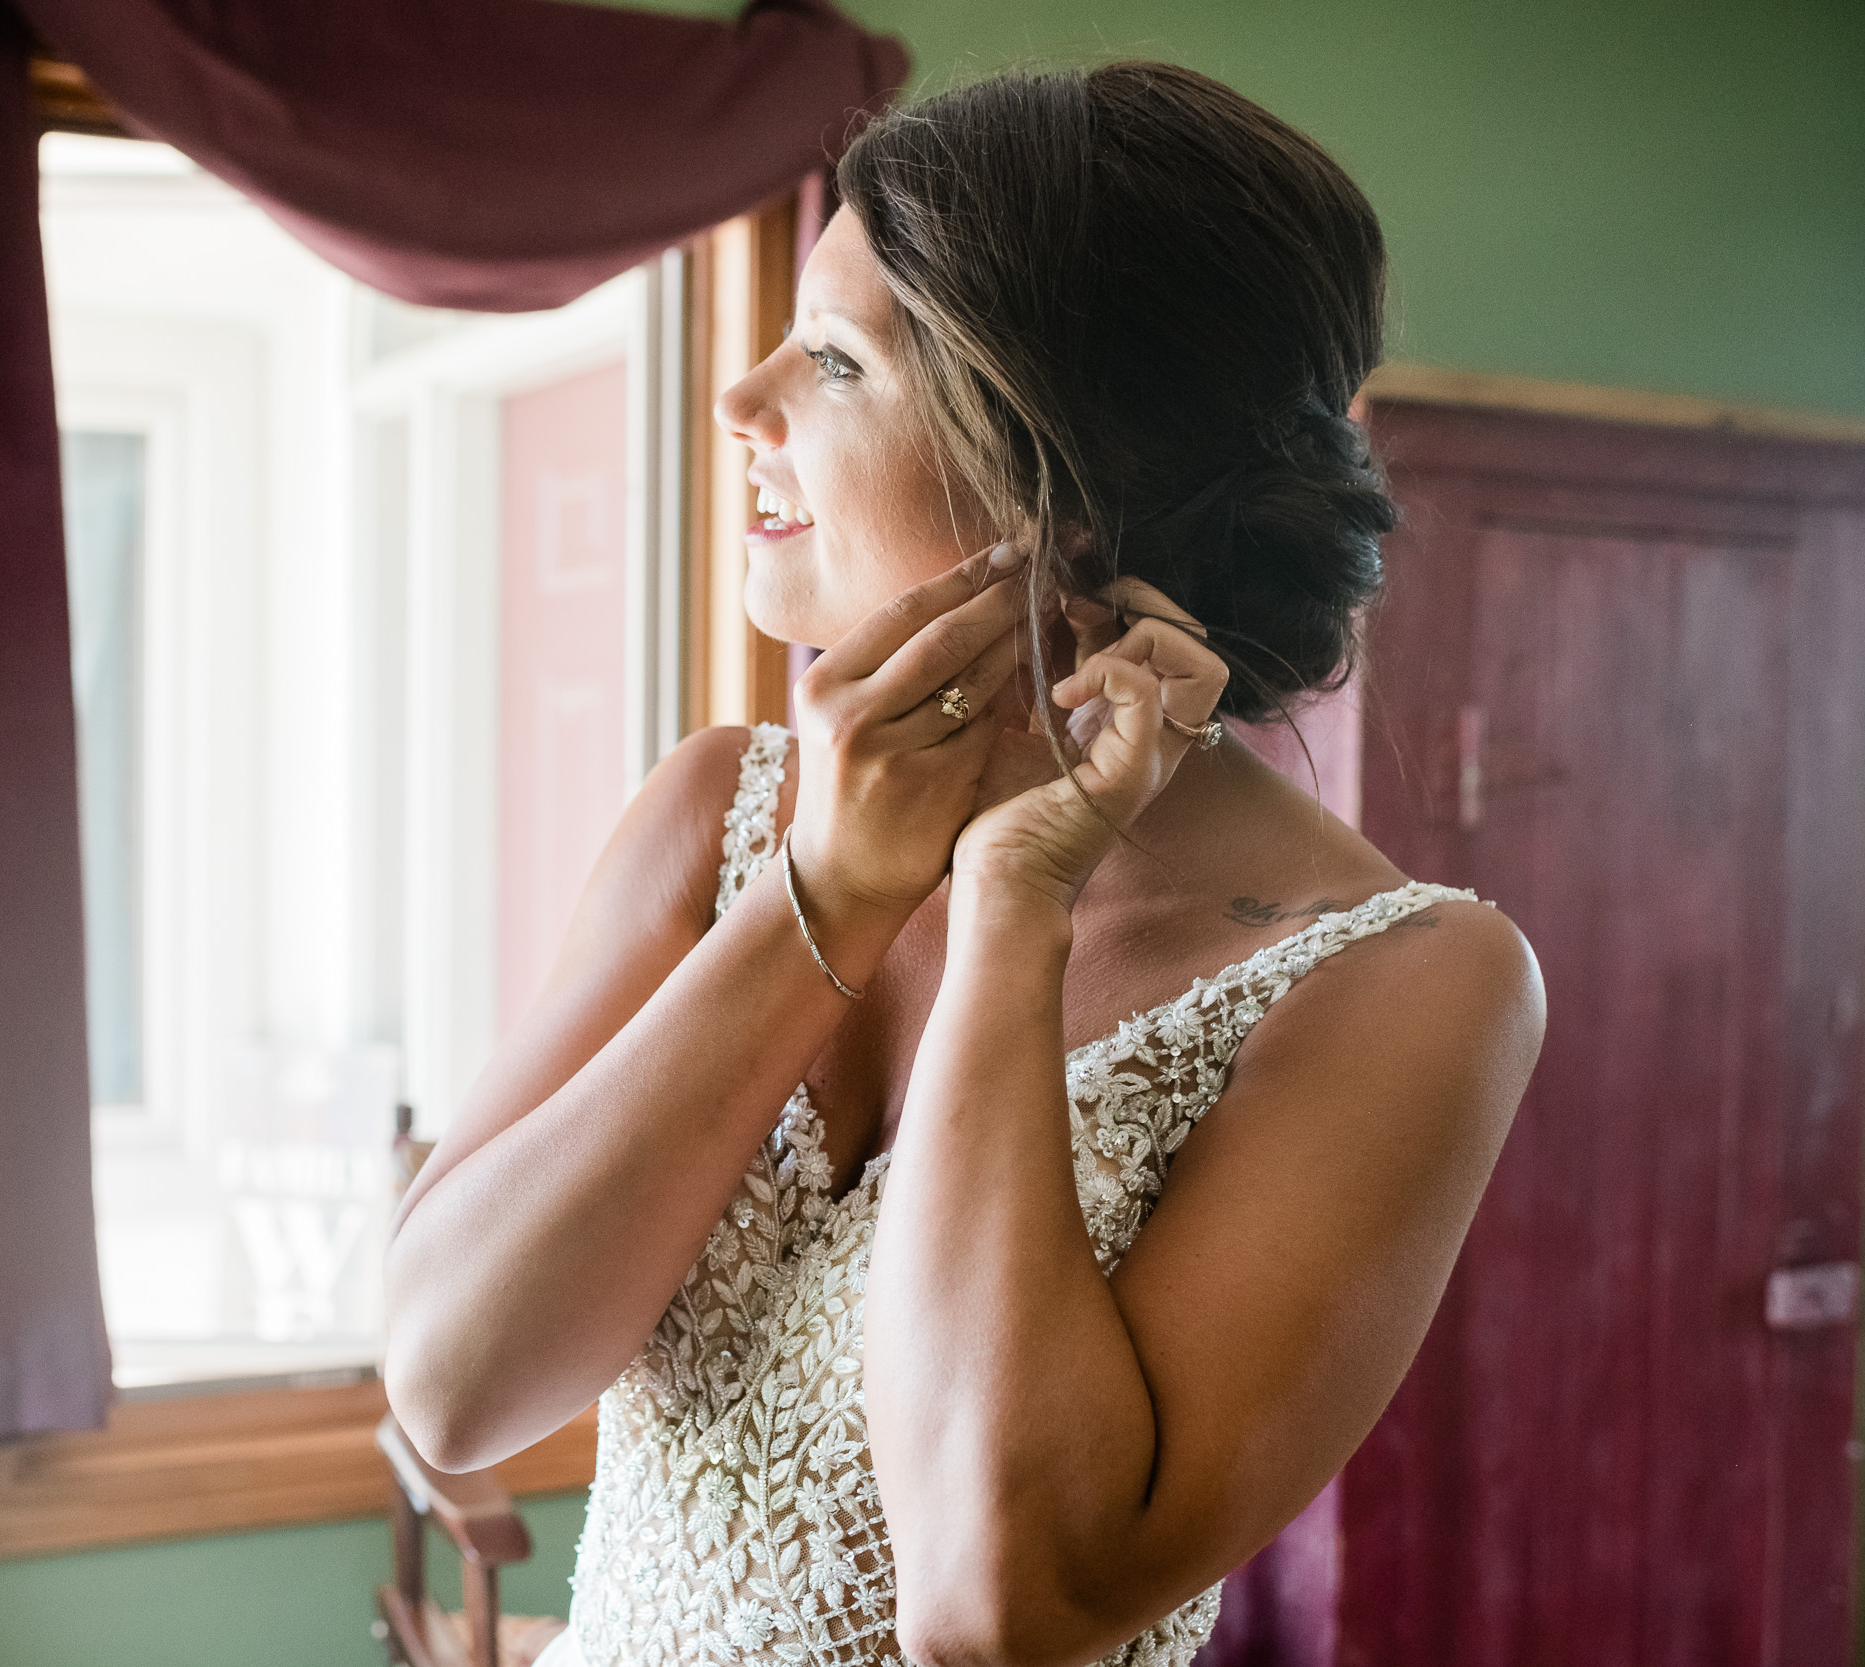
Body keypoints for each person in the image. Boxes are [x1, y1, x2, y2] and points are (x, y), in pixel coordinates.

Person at [383, 60, 1545, 1667]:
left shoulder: (1406, 981)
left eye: (838, 359)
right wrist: (830, 891)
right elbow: (453, 1385)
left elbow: (1005, 1612)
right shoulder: (715, 809)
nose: (742, 398)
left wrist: (1013, 908)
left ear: (1065, 489)